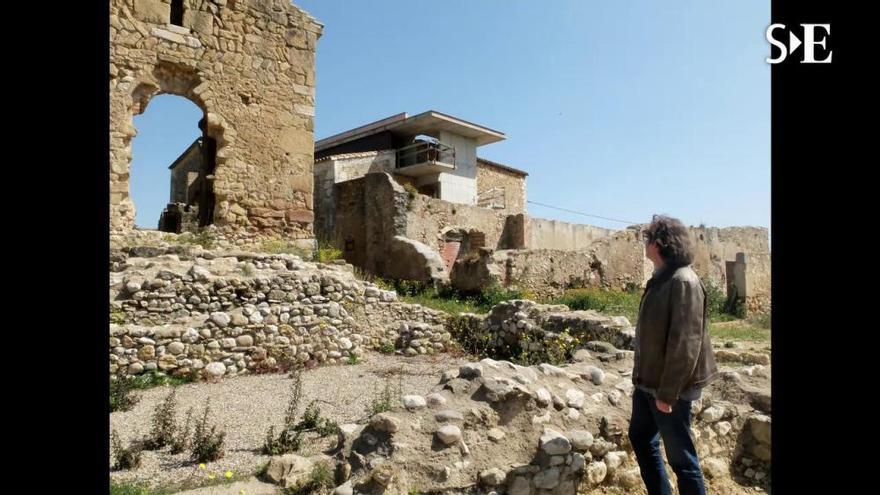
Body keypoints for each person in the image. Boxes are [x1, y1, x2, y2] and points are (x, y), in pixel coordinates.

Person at [629, 214, 718, 495]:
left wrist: (668, 394)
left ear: (660, 243)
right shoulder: (661, 278)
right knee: (641, 439)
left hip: (670, 389)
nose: (645, 244)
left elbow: (686, 344)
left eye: (648, 238)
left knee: (682, 460)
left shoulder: (684, 281)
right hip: (648, 382)